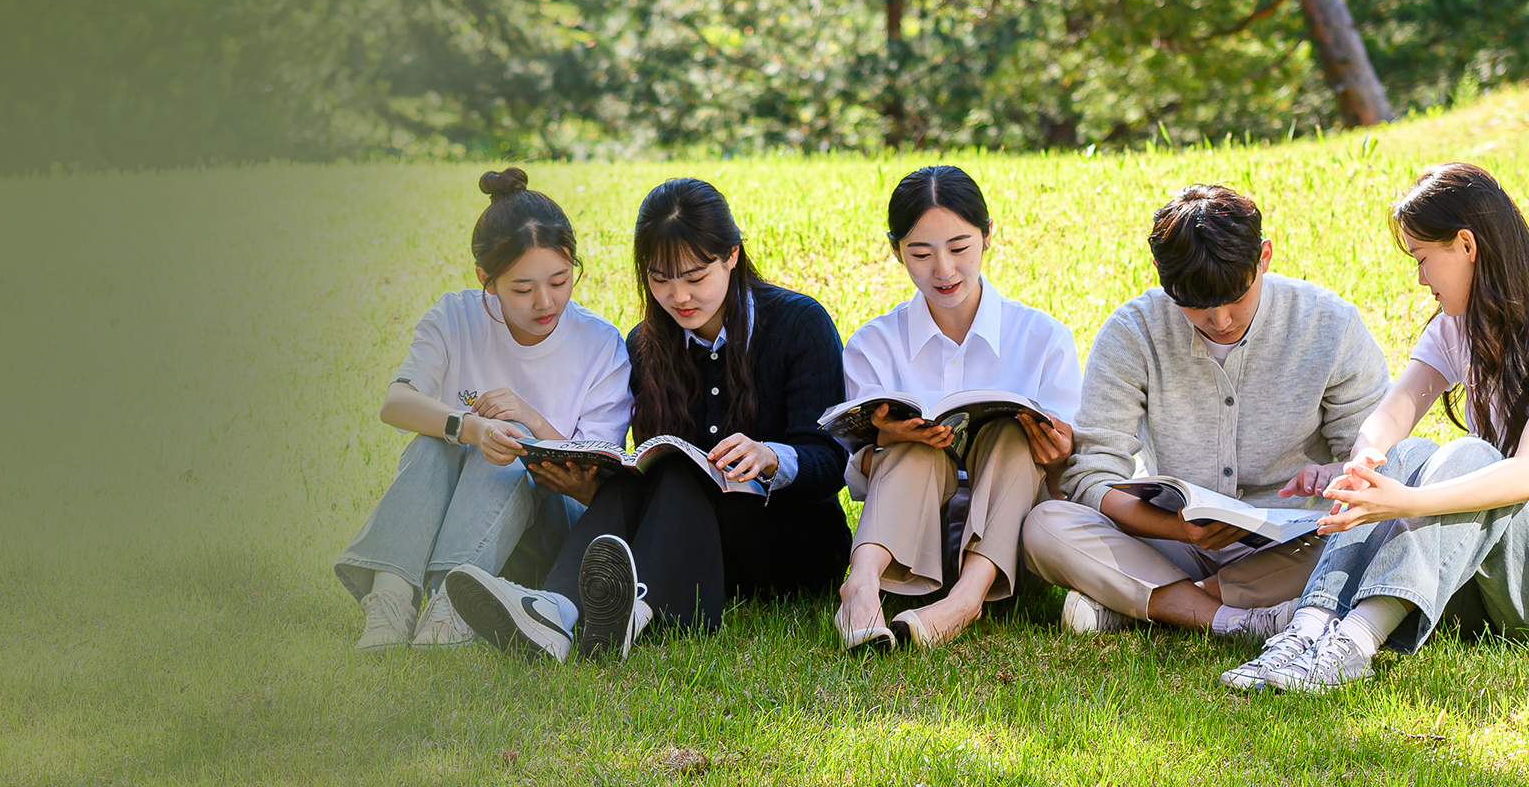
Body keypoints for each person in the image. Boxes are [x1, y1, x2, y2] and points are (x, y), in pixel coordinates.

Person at [445, 177, 852, 661]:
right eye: (660, 279)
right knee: (656, 466)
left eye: (695, 277)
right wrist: (586, 485)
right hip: (692, 546)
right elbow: (649, 479)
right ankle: (557, 612)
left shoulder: (798, 323)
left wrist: (769, 456)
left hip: (790, 543)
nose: (678, 295)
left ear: (732, 256)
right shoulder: (644, 346)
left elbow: (831, 463)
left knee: (679, 468)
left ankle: (630, 610)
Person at [1022, 184, 1391, 639]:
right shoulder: (1132, 333)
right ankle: (1235, 620)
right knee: (1045, 525)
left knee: (1378, 531)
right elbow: (1091, 478)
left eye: (1236, 298)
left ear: (1265, 258)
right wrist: (1178, 529)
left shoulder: (1329, 325)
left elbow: (1377, 464)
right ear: (1160, 273)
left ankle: (1144, 603)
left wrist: (1335, 471)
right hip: (1169, 541)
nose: (1220, 321)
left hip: (1290, 546)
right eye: (1196, 306)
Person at [1220, 162, 1529, 692]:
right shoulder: (1456, 329)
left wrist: (1404, 503)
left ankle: (1351, 647)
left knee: (1471, 456)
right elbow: (1389, 418)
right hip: (1469, 569)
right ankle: (1305, 634)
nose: (1421, 278)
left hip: (1519, 579)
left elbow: (1523, 475)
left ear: (1466, 245)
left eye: (1424, 259)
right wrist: (1361, 467)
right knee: (1398, 454)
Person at [333, 168, 631, 650]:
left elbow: (594, 482)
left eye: (560, 280)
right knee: (440, 436)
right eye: (522, 288)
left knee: (509, 434)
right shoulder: (454, 317)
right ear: (486, 281)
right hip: (456, 521)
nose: (545, 301)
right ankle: (391, 601)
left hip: (547, 534)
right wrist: (469, 427)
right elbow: (396, 403)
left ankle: (454, 605)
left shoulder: (600, 344)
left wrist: (529, 423)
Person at [834, 165, 1081, 649]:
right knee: (914, 445)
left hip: (1008, 554)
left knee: (1011, 433)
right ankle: (860, 589)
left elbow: (1067, 479)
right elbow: (856, 474)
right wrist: (889, 437)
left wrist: (1057, 455)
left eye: (959, 248)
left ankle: (965, 601)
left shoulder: (1042, 339)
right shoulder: (873, 346)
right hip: (905, 546)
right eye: (920, 254)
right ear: (896, 251)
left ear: (989, 236)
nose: (943, 270)